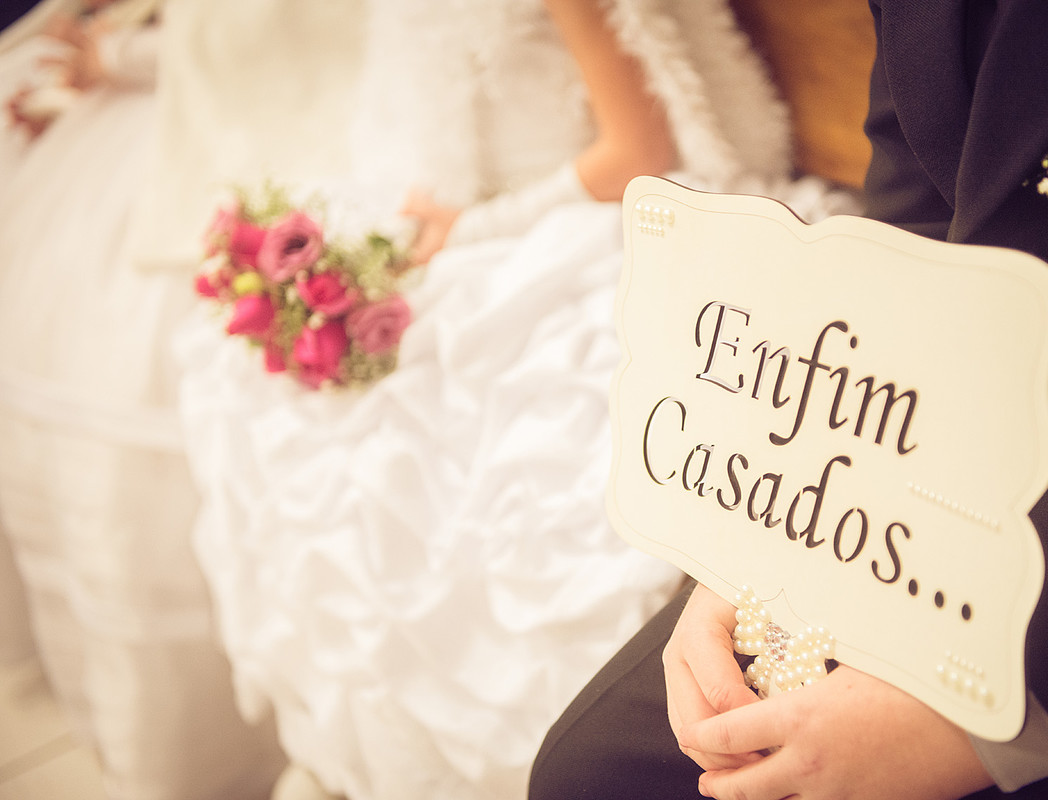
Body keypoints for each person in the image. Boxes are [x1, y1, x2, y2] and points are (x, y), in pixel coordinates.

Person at [144, 0, 861, 798]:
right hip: (462, 217)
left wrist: (474, 231)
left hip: (579, 217)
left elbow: (637, 151)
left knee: (500, 463)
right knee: (291, 413)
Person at [528, 0, 1048, 798]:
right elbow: (912, 211)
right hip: (917, 471)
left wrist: (1009, 724)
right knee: (591, 776)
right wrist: (763, 532)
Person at [0, 1, 288, 797]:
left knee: (180, 446)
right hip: (126, 139)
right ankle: (141, 733)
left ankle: (234, 743)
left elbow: (305, 40)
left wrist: (119, 53)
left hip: (247, 134)